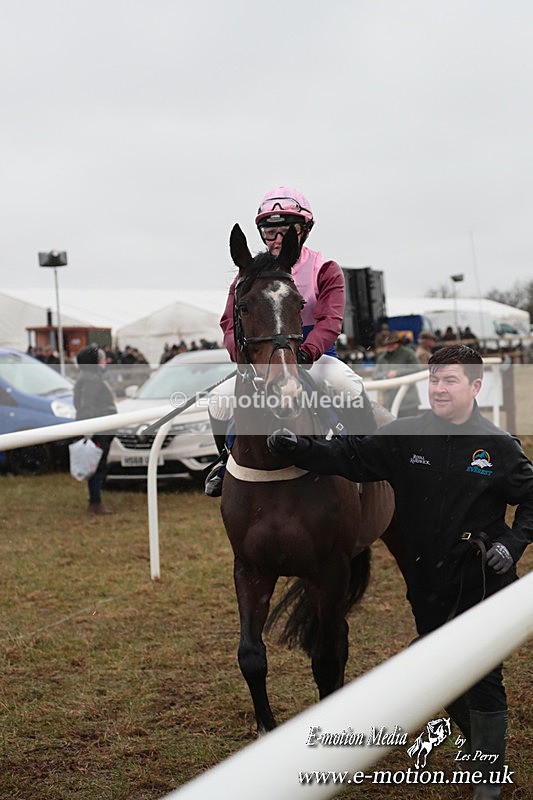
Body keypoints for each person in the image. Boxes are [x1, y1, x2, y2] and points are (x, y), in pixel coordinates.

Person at [267, 344, 533, 799]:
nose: (439, 388)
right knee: (439, 676)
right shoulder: (407, 435)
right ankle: (480, 745)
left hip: (480, 584)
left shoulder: (499, 447)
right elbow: (350, 456)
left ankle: (489, 781)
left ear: (474, 386)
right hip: (426, 583)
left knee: (484, 679)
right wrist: (301, 449)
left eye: (450, 380)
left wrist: (511, 544)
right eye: (433, 379)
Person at [204, 185, 375, 496]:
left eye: (286, 229)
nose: (278, 238)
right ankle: (225, 460)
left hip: (312, 355)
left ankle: (367, 454)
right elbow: (229, 322)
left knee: (347, 384)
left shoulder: (325, 269)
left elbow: (331, 321)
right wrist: (242, 356)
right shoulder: (245, 276)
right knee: (219, 400)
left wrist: (304, 353)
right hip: (262, 358)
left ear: (303, 230)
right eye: (270, 231)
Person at [73, 344, 118, 515]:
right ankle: (95, 502)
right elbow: (86, 407)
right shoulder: (91, 378)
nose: (104, 361)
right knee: (97, 466)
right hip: (98, 430)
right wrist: (90, 430)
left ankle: (96, 500)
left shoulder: (90, 376)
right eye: (101, 358)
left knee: (98, 465)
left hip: (100, 428)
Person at [373, 331, 422, 417]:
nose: (390, 346)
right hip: (389, 401)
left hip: (408, 402)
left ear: (398, 343)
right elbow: (375, 376)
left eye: (393, 343)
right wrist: (386, 375)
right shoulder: (382, 358)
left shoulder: (408, 353)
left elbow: (417, 368)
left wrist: (397, 373)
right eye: (388, 344)